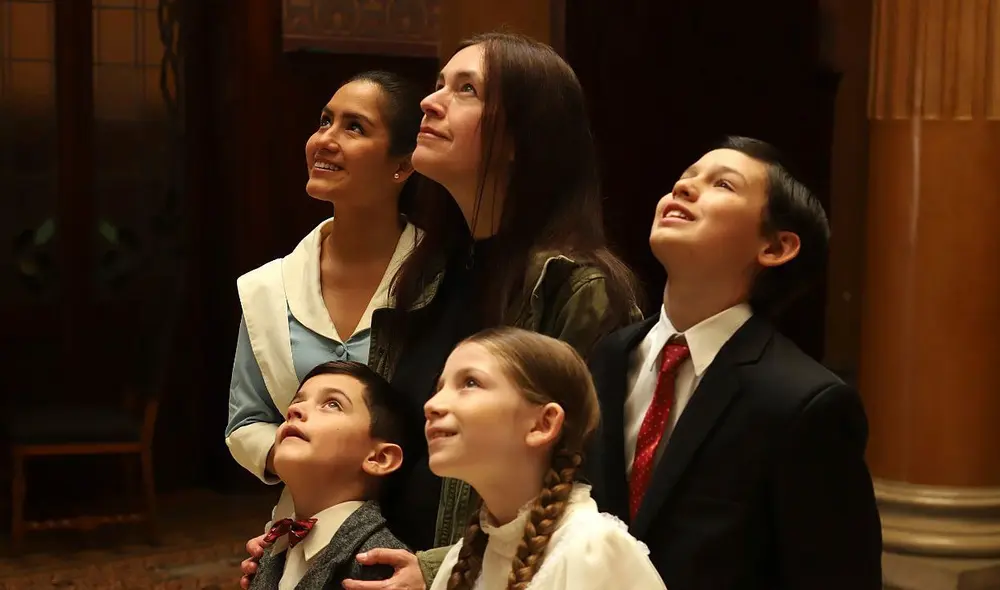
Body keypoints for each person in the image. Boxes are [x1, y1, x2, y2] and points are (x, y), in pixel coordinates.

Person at [246, 32, 642, 589]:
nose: (431, 102)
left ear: (518, 138)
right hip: (379, 562)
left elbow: (581, 480)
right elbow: (382, 446)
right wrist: (309, 540)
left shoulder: (574, 286)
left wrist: (435, 568)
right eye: (438, 86)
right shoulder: (424, 273)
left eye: (466, 90)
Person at [586, 136, 883, 589]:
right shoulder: (608, 356)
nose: (682, 190)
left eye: (722, 185)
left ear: (776, 247)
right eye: (684, 179)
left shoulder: (804, 402)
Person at [225, 71, 424, 523]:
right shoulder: (267, 289)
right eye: (323, 122)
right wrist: (309, 463)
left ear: (403, 165)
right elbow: (246, 423)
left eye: (354, 127)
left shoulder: (439, 276)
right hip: (308, 522)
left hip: (422, 520)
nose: (325, 140)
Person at [424, 327, 666, 590]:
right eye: (440, 387)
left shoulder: (592, 551)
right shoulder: (461, 561)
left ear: (543, 423)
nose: (432, 404)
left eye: (470, 383)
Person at [248, 361, 422, 590]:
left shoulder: (379, 566)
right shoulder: (272, 548)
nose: (293, 411)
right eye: (298, 401)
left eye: (332, 404)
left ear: (379, 458)